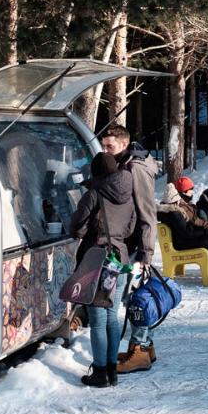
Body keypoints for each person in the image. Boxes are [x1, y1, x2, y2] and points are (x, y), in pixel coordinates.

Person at [70, 152, 136, 388]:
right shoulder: (128, 195)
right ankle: (111, 370)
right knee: (112, 317)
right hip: (120, 262)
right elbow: (129, 230)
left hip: (99, 262)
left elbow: (76, 226)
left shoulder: (94, 194)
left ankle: (99, 373)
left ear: (95, 173)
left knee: (98, 320)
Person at [100, 126, 160, 374]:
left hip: (135, 246)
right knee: (135, 295)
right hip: (130, 242)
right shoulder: (126, 165)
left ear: (123, 145)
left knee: (134, 298)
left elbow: (148, 213)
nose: (105, 151)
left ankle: (139, 350)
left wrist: (146, 253)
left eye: (109, 147)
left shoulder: (135, 169)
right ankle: (145, 346)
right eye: (103, 146)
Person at [157, 177, 208, 284]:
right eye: (191, 189)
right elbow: (186, 233)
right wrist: (205, 232)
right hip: (183, 244)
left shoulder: (178, 210)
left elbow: (189, 227)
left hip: (184, 240)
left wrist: (207, 230)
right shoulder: (175, 213)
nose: (192, 192)